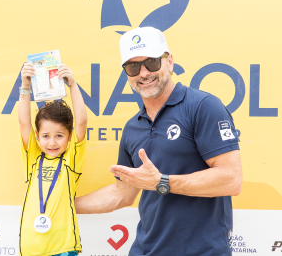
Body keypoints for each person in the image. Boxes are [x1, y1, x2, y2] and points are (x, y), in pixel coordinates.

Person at [75, 26, 242, 256]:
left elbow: (231, 179)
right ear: (127, 73)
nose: (143, 73)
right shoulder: (132, 127)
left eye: (152, 62)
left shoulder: (203, 106)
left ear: (170, 62)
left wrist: (161, 182)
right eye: (133, 66)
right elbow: (122, 194)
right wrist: (64, 207)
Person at [18, 63, 87, 256]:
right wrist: (25, 85)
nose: (52, 142)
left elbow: (81, 122)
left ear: (69, 136)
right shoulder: (32, 157)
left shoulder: (70, 161)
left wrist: (72, 85)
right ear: (37, 136)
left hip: (62, 247)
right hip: (30, 247)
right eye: (46, 136)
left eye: (59, 135)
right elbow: (24, 122)